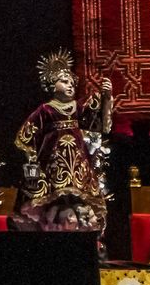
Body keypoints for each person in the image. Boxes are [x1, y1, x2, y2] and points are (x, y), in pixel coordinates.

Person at [13, 48, 113, 232]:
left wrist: (106, 95)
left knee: (79, 197)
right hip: (52, 161)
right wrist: (31, 158)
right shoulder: (45, 110)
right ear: (52, 85)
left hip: (78, 161)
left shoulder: (78, 107)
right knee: (54, 199)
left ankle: (79, 220)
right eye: (63, 81)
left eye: (72, 83)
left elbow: (96, 120)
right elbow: (24, 136)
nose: (69, 86)